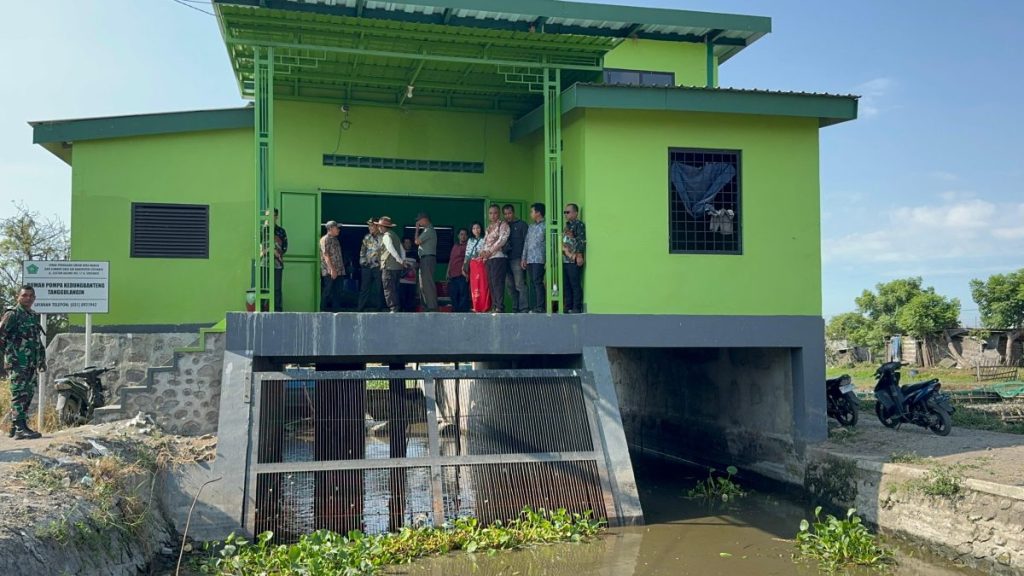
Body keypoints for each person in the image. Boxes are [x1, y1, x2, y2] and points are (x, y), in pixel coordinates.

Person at [1, 286, 45, 440]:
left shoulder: (32, 315)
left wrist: (41, 359)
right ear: (18, 297)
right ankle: (20, 428)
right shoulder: (12, 315)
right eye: (24, 295)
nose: (28, 298)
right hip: (17, 363)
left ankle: (15, 426)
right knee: (19, 394)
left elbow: (36, 340)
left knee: (28, 393)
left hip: (31, 363)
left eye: (31, 296)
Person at [478, 204, 510, 313]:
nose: (493, 215)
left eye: (495, 213)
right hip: (488, 259)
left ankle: (500, 307)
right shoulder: (488, 228)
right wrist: (482, 252)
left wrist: (489, 252)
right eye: (491, 213)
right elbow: (484, 242)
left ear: (499, 214)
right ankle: (494, 305)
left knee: (498, 282)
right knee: (491, 283)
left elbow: (502, 240)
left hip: (498, 257)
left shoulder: (503, 225)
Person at [502, 204, 529, 313]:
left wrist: (525, 258)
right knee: (510, 286)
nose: (508, 216)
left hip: (518, 258)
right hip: (505, 259)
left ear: (513, 212)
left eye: (509, 213)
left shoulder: (522, 225)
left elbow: (527, 242)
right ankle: (515, 307)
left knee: (520, 284)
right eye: (505, 214)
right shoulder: (503, 226)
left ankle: (524, 308)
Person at [377, 216, 406, 313]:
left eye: (380, 226)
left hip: (389, 267)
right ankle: (397, 307)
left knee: (388, 288)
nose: (379, 228)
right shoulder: (395, 235)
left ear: (384, 227)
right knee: (395, 288)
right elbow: (402, 249)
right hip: (397, 268)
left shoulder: (386, 236)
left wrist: (399, 260)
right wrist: (402, 261)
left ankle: (393, 308)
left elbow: (390, 248)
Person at [521, 203, 546, 313]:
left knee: (537, 281)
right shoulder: (531, 226)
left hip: (540, 258)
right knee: (532, 282)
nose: (531, 214)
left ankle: (540, 306)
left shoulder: (546, 226)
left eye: (532, 211)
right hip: (530, 259)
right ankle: (534, 305)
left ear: (538, 212)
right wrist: (524, 258)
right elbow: (526, 242)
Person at [561, 204, 586, 313]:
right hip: (565, 259)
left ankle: (576, 307)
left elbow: (581, 240)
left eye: (568, 212)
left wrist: (579, 255)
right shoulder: (567, 226)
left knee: (574, 284)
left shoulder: (579, 225)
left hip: (573, 259)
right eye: (565, 212)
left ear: (576, 213)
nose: (566, 214)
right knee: (566, 284)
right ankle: (568, 307)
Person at [357, 219, 384, 312]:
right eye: (369, 226)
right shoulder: (367, 237)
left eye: (372, 226)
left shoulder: (383, 237)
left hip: (379, 267)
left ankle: (379, 308)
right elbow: (362, 250)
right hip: (367, 266)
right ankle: (360, 308)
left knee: (379, 288)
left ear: (377, 226)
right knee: (364, 288)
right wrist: (363, 261)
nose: (370, 228)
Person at [414, 212, 438, 312]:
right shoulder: (426, 230)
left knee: (428, 283)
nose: (418, 222)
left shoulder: (429, 230)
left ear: (424, 219)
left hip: (428, 259)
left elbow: (417, 241)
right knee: (422, 284)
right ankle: (427, 305)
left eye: (419, 220)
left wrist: (417, 229)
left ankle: (432, 306)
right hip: (424, 259)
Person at [319, 220, 345, 312]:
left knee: (337, 292)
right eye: (336, 228)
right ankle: (322, 310)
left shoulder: (335, 239)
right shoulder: (325, 239)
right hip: (329, 271)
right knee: (328, 291)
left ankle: (336, 311)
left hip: (339, 270)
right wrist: (332, 269)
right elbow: (326, 255)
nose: (338, 230)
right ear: (330, 229)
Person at [466, 222, 490, 313]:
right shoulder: (470, 240)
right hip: (473, 264)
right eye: (474, 228)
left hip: (482, 263)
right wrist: (464, 266)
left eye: (478, 228)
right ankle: (476, 306)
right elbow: (467, 255)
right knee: (474, 285)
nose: (476, 230)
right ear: (471, 230)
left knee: (483, 284)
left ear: (481, 229)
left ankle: (485, 306)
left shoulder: (485, 239)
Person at [447, 228, 470, 312]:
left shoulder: (468, 246)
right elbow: (451, 259)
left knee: (463, 295)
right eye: (461, 234)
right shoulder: (455, 246)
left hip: (462, 274)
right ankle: (455, 313)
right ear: (458, 236)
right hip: (453, 275)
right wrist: (448, 271)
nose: (463, 236)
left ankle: (462, 314)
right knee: (453, 295)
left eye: (465, 234)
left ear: (467, 236)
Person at [271, 209, 288, 311]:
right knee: (262, 289)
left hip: (277, 263)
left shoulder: (281, 231)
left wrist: (277, 253)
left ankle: (277, 310)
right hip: (263, 263)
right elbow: (257, 247)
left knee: (277, 288)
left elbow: (285, 247)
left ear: (276, 217)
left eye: (272, 216)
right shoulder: (261, 230)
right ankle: (263, 309)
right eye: (267, 215)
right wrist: (269, 250)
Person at [400, 238, 419, 312]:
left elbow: (419, 264)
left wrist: (415, 265)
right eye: (406, 242)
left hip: (412, 282)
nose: (408, 244)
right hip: (401, 281)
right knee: (402, 299)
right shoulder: (400, 254)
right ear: (403, 244)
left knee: (411, 300)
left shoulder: (415, 254)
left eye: (409, 243)